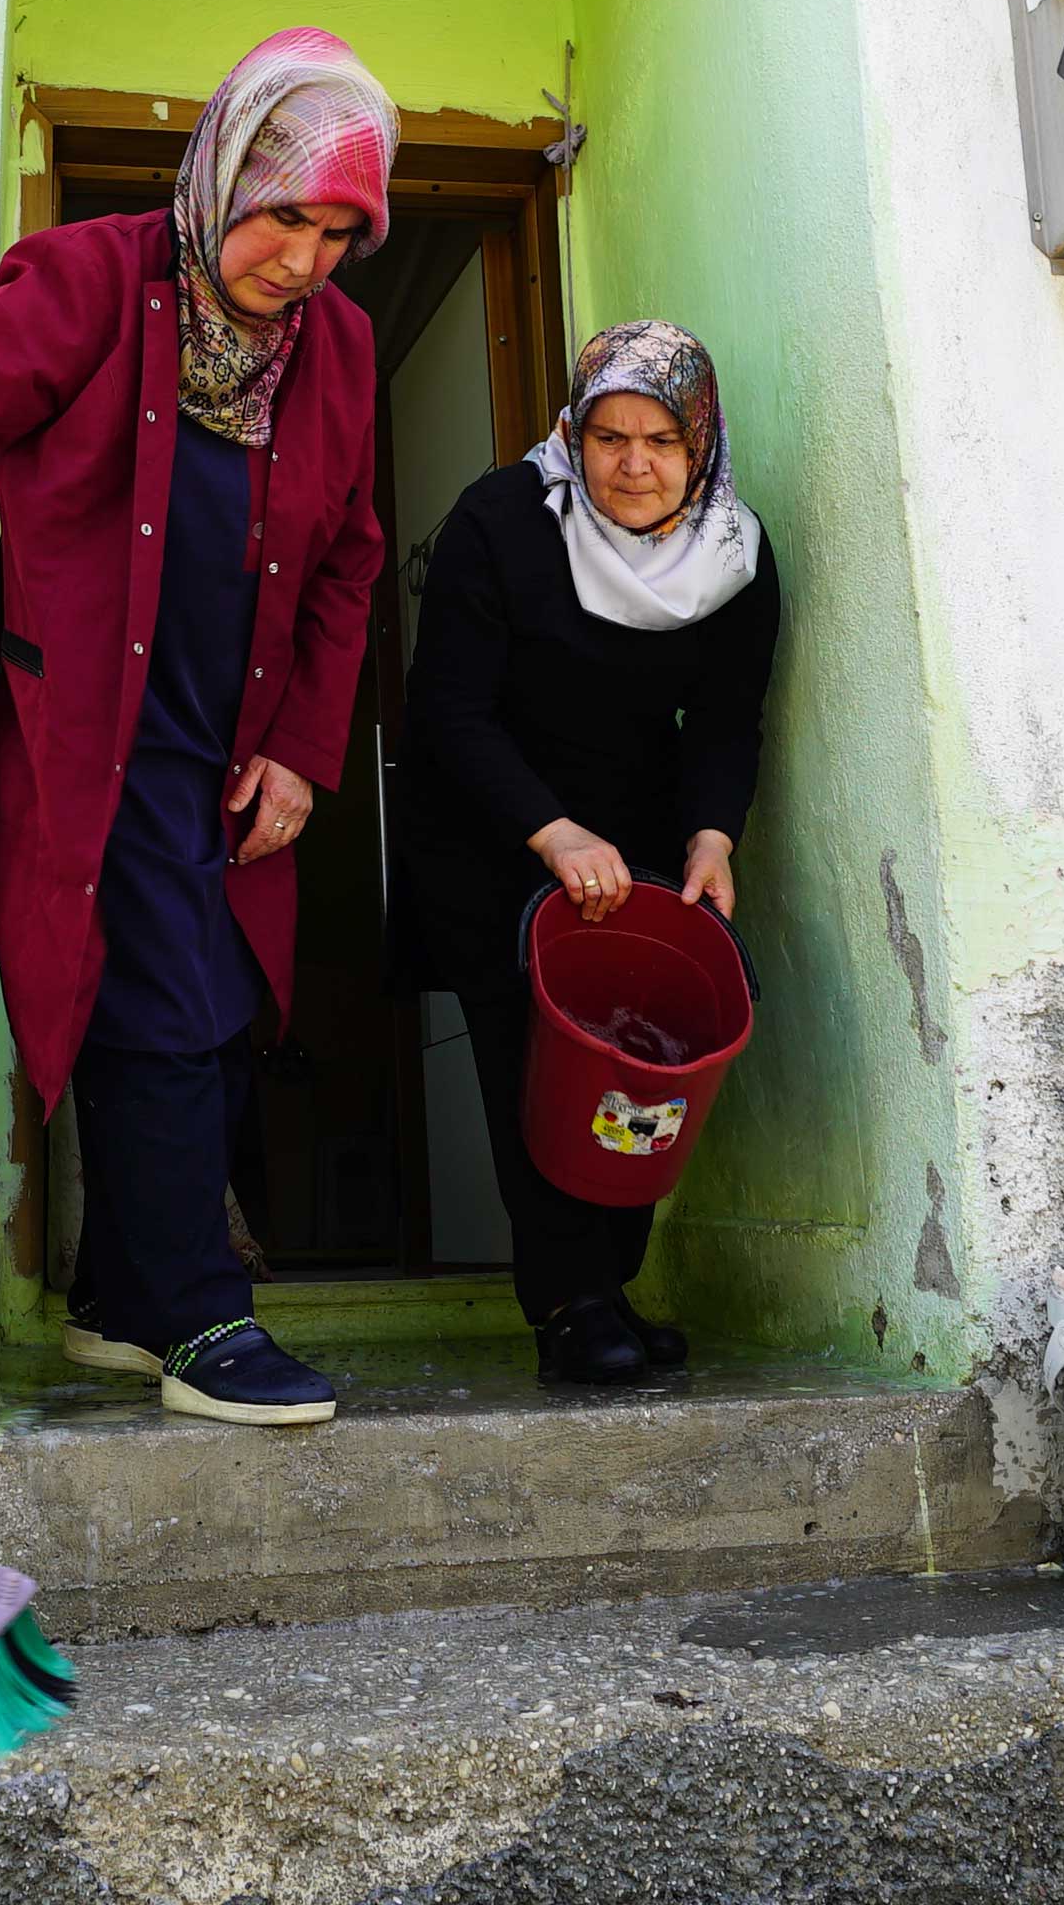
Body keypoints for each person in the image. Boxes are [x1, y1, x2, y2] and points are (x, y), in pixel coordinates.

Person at [0, 28, 395, 1429]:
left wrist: (304, 746)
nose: (304, 262)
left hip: (232, 739)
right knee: (160, 1008)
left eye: (339, 234)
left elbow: (349, 558)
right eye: (283, 218)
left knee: (223, 1005)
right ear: (222, 176)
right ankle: (200, 1313)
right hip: (99, 728)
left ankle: (120, 1296)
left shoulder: (338, 346)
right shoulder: (92, 284)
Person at [395, 321, 779, 1385]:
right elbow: (451, 707)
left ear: (701, 442)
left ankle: (611, 1283)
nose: (633, 465)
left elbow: (727, 719)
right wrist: (551, 831)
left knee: (638, 1058)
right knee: (536, 1060)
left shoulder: (734, 551)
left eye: (661, 440)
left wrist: (712, 834)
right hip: (495, 826)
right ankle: (568, 1301)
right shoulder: (501, 520)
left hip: (638, 831)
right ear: (572, 434)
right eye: (608, 437)